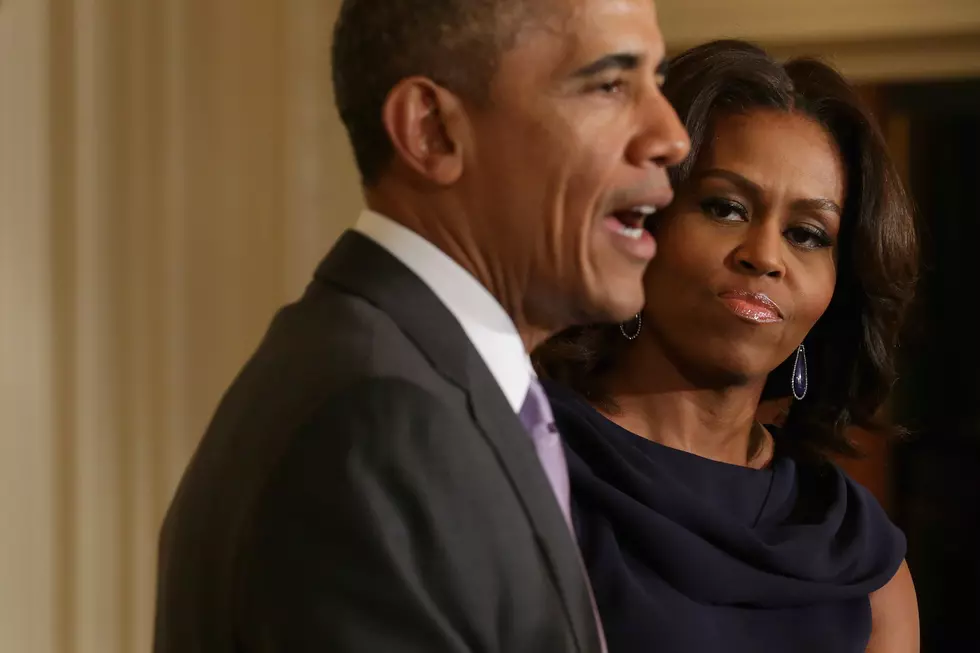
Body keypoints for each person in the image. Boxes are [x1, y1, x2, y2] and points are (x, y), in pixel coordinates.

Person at [153, 0, 690, 651]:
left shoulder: (418, 384)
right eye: (610, 84)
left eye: (657, 81)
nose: (671, 136)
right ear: (433, 131)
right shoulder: (376, 424)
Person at [533, 40, 920, 653]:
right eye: (726, 207)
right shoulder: (526, 459)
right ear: (641, 221)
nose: (765, 255)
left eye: (807, 234)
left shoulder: (859, 561)